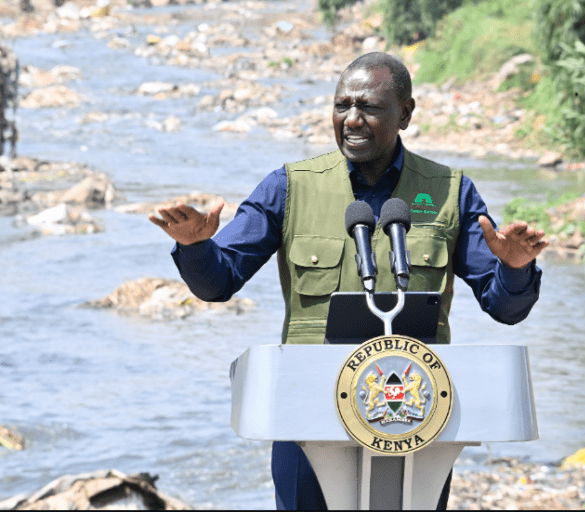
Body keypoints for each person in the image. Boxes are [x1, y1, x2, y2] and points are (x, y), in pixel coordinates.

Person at [150, 52, 548, 510]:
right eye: (342, 106)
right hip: (307, 414)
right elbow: (217, 283)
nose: (352, 120)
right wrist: (196, 246)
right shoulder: (289, 188)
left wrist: (515, 267)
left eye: (369, 108)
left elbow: (506, 308)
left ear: (405, 113)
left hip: (414, 415)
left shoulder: (449, 193)